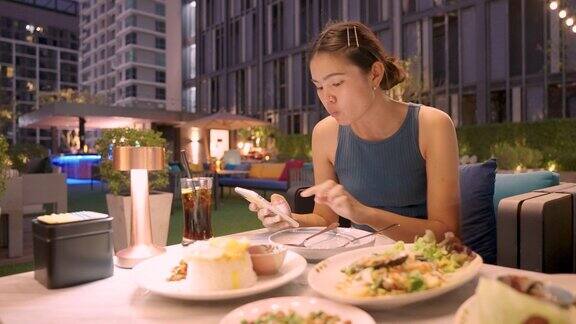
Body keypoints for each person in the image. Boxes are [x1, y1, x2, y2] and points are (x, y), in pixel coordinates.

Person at [249, 21, 460, 242]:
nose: (327, 98)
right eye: (319, 86)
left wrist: (363, 214)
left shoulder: (432, 125)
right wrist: (289, 219)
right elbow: (325, 219)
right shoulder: (324, 134)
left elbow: (447, 233)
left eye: (337, 83)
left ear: (375, 74)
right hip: (359, 263)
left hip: (425, 265)